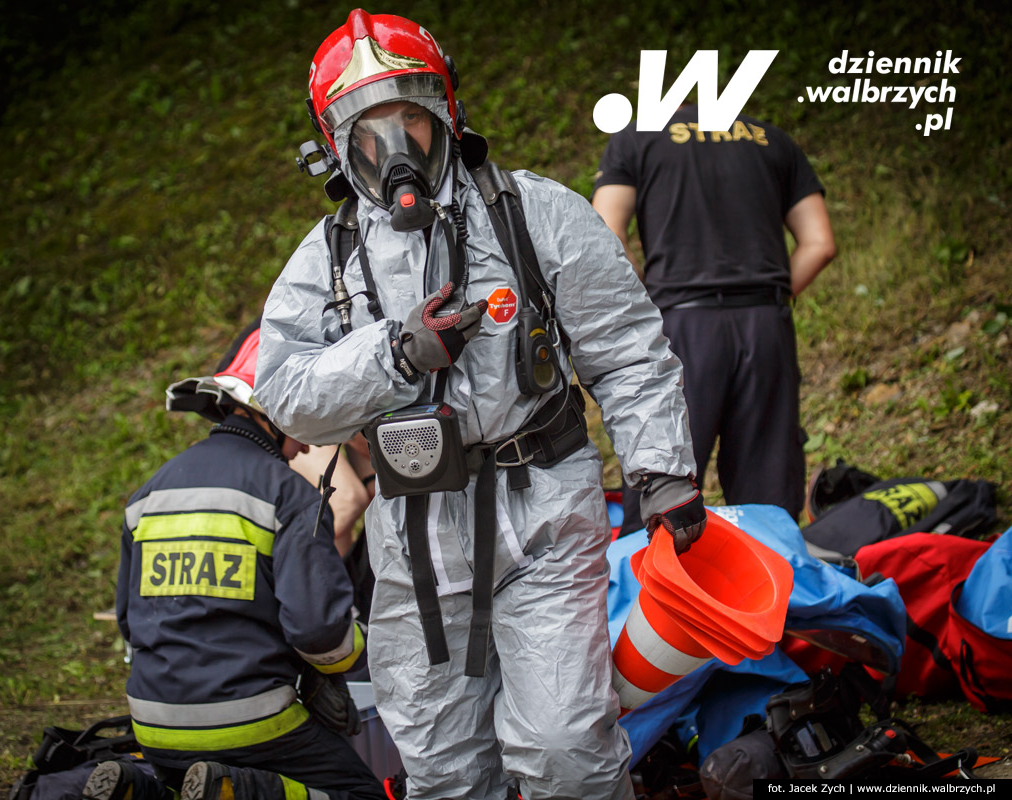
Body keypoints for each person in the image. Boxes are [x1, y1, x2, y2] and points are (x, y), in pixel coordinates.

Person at [256, 10, 706, 800]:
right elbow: (286, 396)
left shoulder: (533, 215)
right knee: (443, 765)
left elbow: (627, 345)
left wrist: (662, 468)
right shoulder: (330, 257)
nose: (395, 148)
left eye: (410, 119)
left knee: (567, 748)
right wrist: (393, 353)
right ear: (335, 142)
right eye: (370, 128)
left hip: (542, 509)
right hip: (417, 539)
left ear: (445, 114)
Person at [83, 320, 385, 800]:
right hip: (252, 722)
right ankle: (243, 792)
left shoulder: (149, 493)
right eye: (297, 421)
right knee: (360, 792)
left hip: (154, 725)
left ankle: (139, 790)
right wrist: (364, 655)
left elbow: (127, 619)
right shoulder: (288, 496)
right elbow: (319, 632)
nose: (307, 444)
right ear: (268, 413)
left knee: (187, 782)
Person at [592, 104, 836, 531]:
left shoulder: (637, 138)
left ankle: (648, 590)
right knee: (769, 493)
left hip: (681, 328)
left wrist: (646, 309)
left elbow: (605, 235)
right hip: (765, 326)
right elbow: (819, 243)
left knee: (662, 477)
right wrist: (771, 298)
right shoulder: (771, 139)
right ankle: (773, 586)